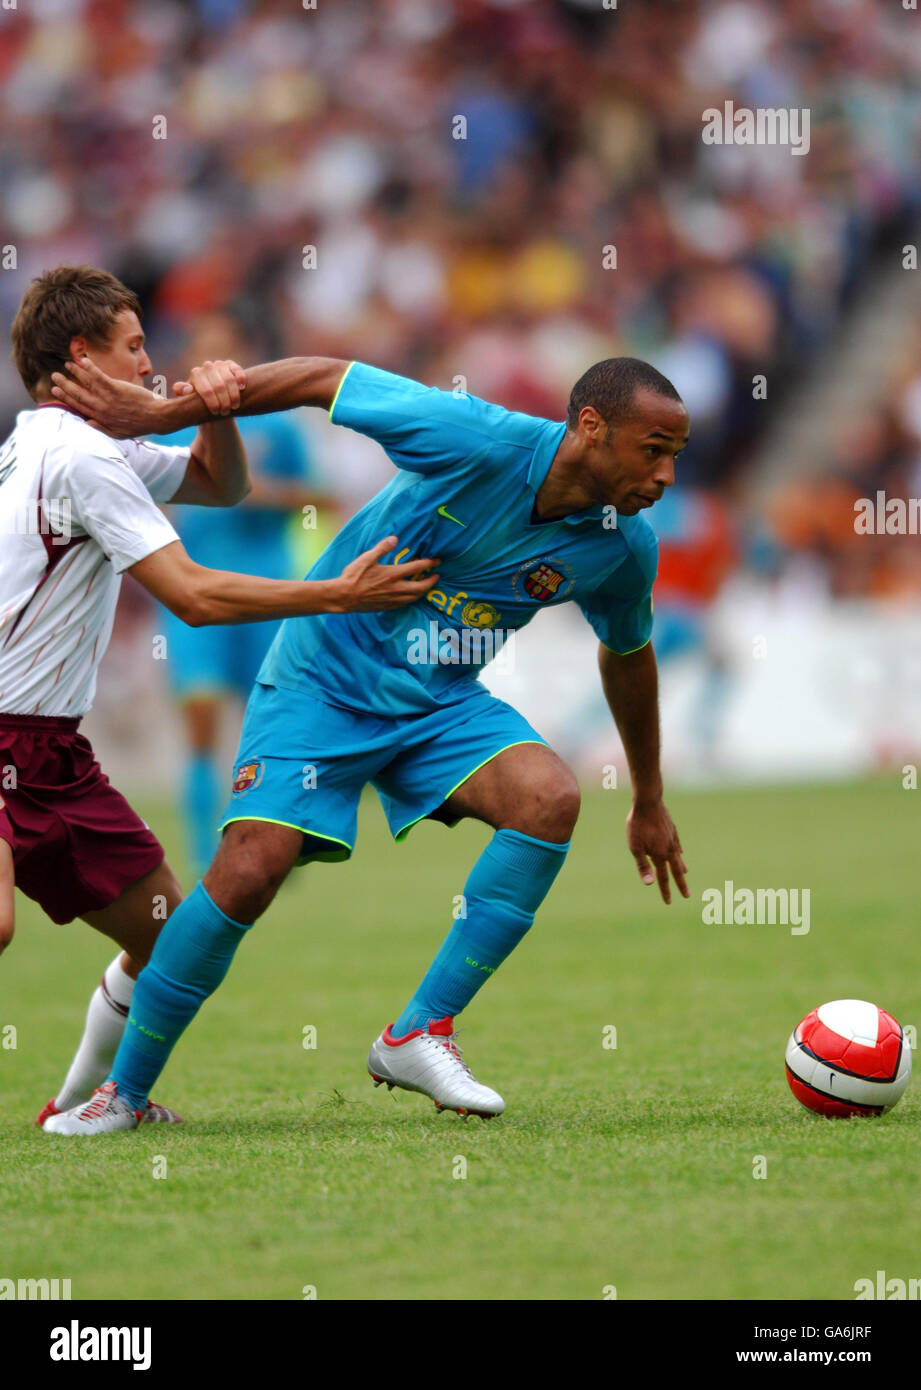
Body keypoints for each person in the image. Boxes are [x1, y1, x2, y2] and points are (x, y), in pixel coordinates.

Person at [44, 348, 690, 1133]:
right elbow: (326, 379)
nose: (662, 476)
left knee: (548, 797)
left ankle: (418, 1032)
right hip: (324, 677)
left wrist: (648, 798)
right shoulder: (476, 438)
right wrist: (165, 414)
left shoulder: (621, 546)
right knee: (250, 871)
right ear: (590, 427)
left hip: (440, 704)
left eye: (673, 458)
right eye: (651, 452)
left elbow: (627, 654)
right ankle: (124, 1096)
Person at [0, 266, 438, 1128]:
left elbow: (220, 483)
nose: (150, 362)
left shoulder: (58, 442)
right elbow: (192, 597)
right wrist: (335, 593)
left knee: (167, 934)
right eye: (135, 348)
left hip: (46, 749)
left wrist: (217, 409)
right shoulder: (80, 458)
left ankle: (82, 1100)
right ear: (83, 355)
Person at [152, 312, 338, 877]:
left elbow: (320, 499)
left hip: (264, 593)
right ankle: (203, 857)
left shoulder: (277, 426)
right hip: (192, 596)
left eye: (224, 352)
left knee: (271, 728)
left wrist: (254, 492)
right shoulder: (169, 425)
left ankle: (281, 844)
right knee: (202, 720)